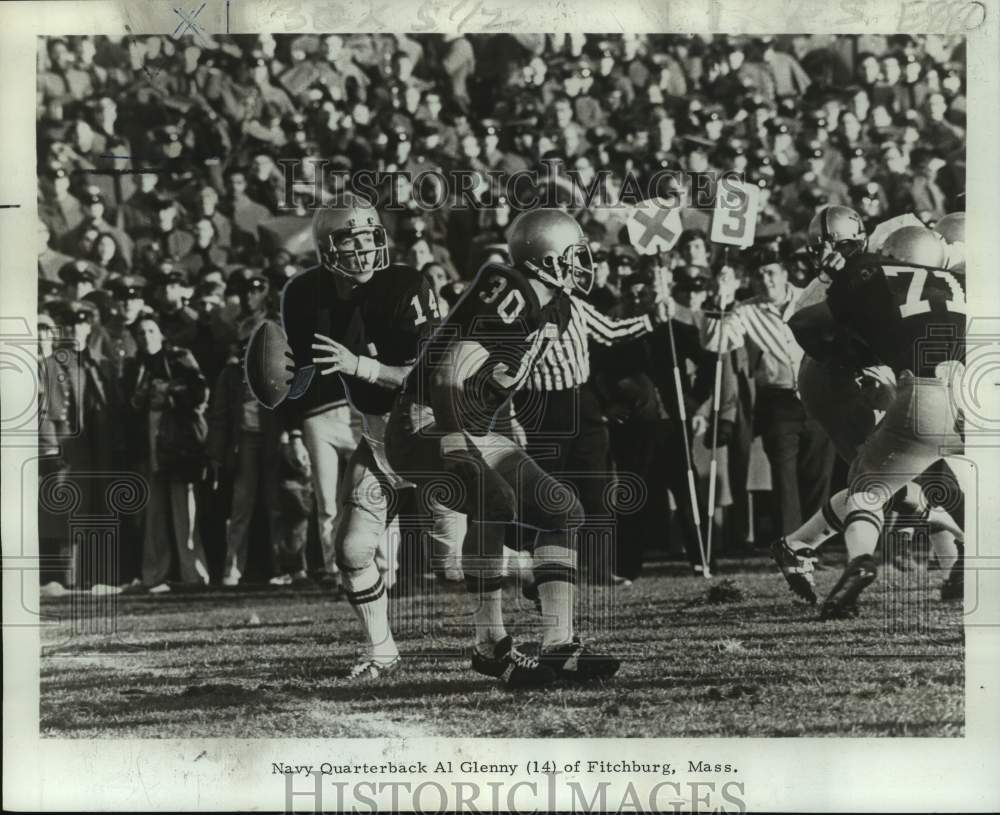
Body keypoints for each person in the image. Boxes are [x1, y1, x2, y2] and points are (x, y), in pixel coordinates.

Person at [385, 207, 621, 688]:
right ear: (546, 259)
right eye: (573, 254)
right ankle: (489, 644)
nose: (583, 263)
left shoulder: (556, 305)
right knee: (493, 500)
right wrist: (454, 439)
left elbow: (494, 378)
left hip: (471, 424)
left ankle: (559, 645)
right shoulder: (513, 297)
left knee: (562, 509)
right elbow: (449, 371)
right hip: (425, 423)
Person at [275, 194, 453, 678]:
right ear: (326, 248)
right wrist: (277, 381)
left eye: (369, 236)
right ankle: (382, 649)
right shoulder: (304, 294)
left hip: (431, 430)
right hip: (378, 435)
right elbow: (299, 373)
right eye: (349, 239)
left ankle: (545, 580)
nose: (364, 248)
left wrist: (361, 366)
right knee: (351, 550)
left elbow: (427, 378)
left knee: (456, 564)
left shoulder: (404, 283)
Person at [778, 224, 966, 618]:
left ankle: (847, 557)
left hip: (918, 391)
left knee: (872, 486)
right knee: (936, 482)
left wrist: (860, 341)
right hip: (974, 395)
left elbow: (804, 322)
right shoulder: (960, 279)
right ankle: (960, 567)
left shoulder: (874, 274)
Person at [122, 314, 211, 592]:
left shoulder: (179, 357)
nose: (146, 336)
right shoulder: (134, 366)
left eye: (151, 330)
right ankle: (154, 576)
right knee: (155, 515)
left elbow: (200, 392)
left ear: (160, 334)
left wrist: (169, 391)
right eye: (140, 332)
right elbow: (129, 406)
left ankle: (194, 575)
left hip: (178, 444)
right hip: (149, 446)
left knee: (185, 510)